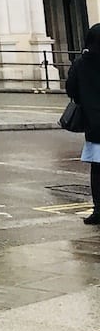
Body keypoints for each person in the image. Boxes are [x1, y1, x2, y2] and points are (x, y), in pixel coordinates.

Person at [65, 24, 100, 225]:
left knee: (98, 170)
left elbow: (71, 90)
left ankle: (99, 210)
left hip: (95, 126)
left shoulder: (81, 64)